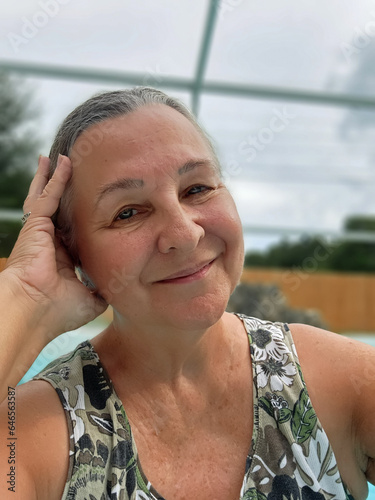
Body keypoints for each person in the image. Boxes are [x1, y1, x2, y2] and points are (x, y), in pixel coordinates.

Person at [0, 87, 374, 500]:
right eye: (127, 212)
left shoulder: (341, 383)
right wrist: (26, 293)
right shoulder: (33, 437)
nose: (185, 233)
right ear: (73, 253)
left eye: (196, 189)